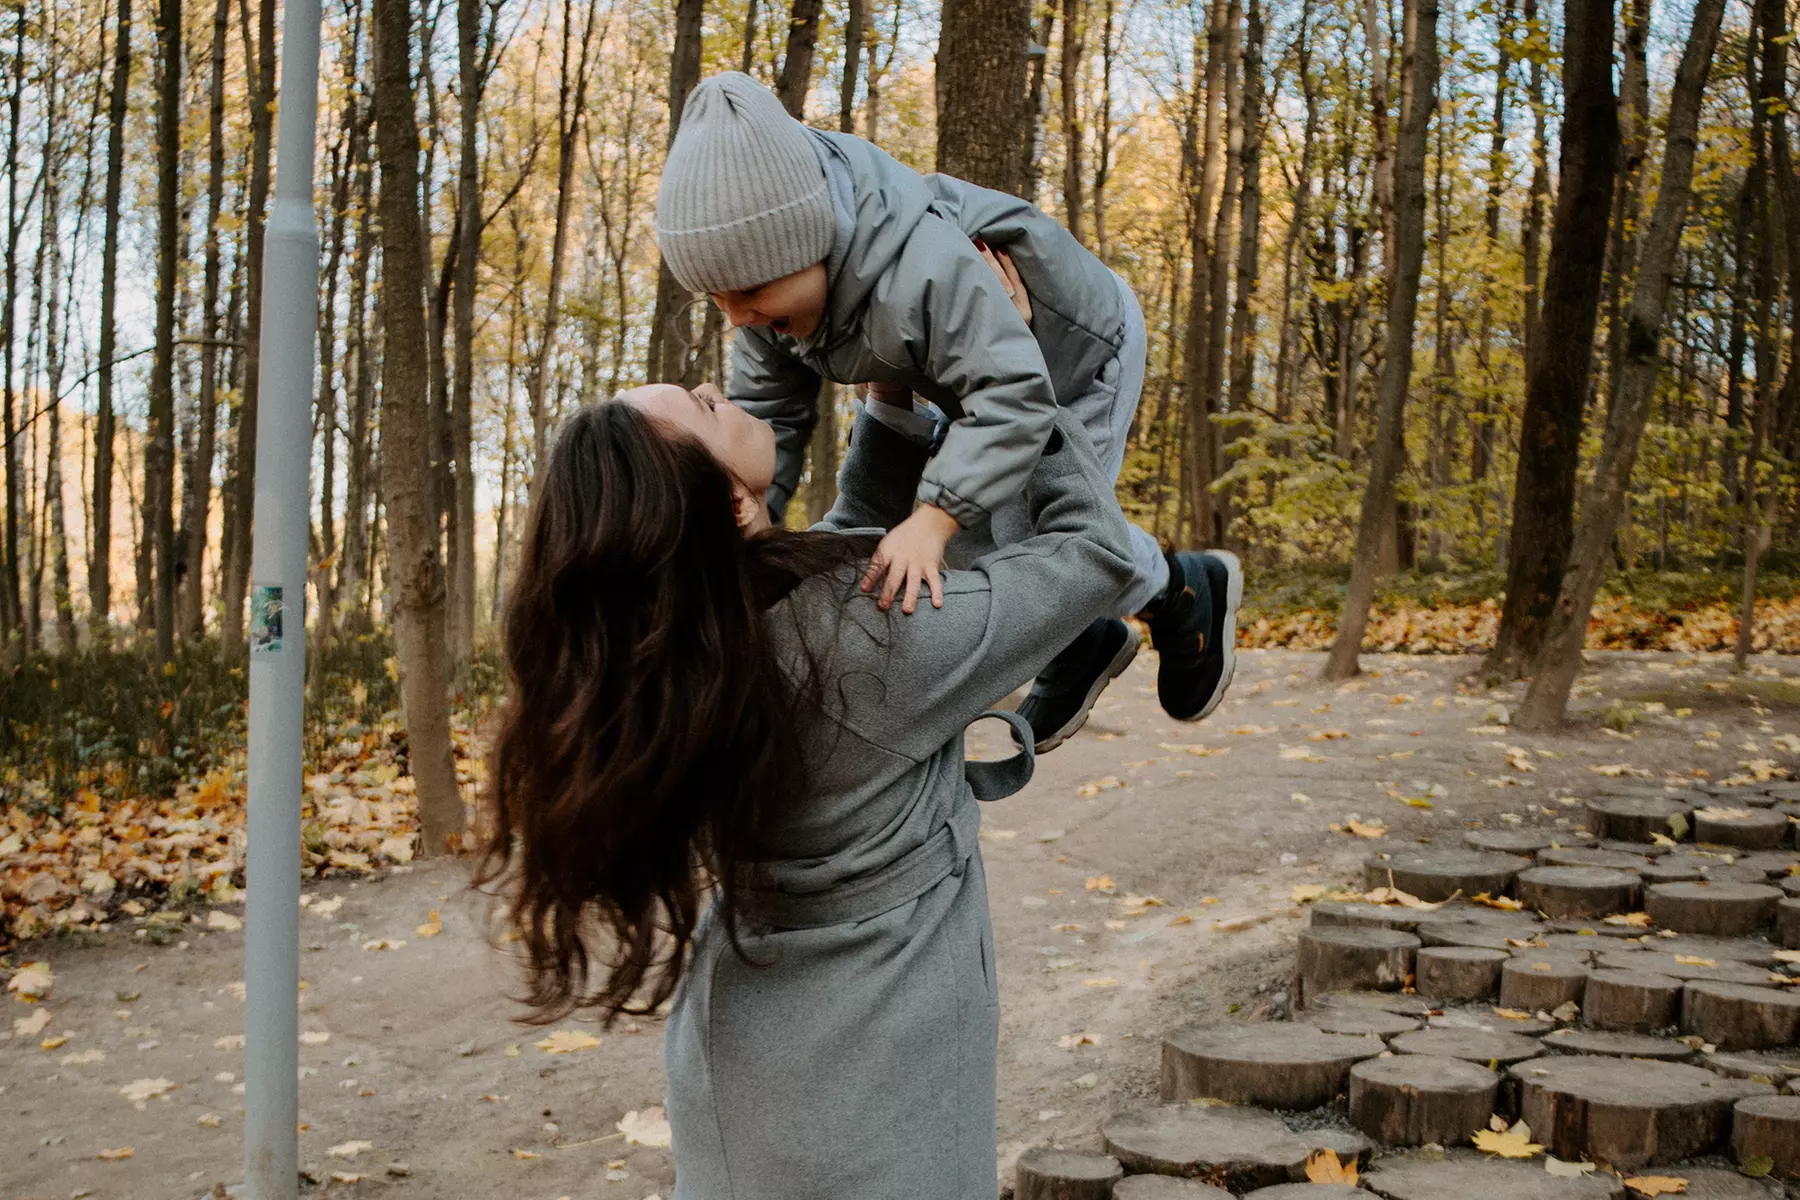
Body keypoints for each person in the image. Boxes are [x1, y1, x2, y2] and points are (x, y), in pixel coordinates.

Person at [480, 379, 1136, 1200]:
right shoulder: (863, 645)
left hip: (745, 1046)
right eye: (704, 405)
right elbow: (1101, 556)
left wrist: (892, 413)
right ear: (725, 501)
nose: (718, 387)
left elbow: (842, 547)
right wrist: (1008, 381)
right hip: (877, 1063)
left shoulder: (700, 644)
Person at [654, 71, 1242, 753]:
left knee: (1037, 541)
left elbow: (1014, 396)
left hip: (1074, 358)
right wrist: (738, 549)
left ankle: (1184, 590)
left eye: (750, 292)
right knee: (974, 542)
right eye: (717, 299)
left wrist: (931, 520)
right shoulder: (767, 312)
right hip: (976, 376)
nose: (738, 318)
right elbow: (763, 425)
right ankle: (1081, 639)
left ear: (809, 238)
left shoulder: (922, 269)